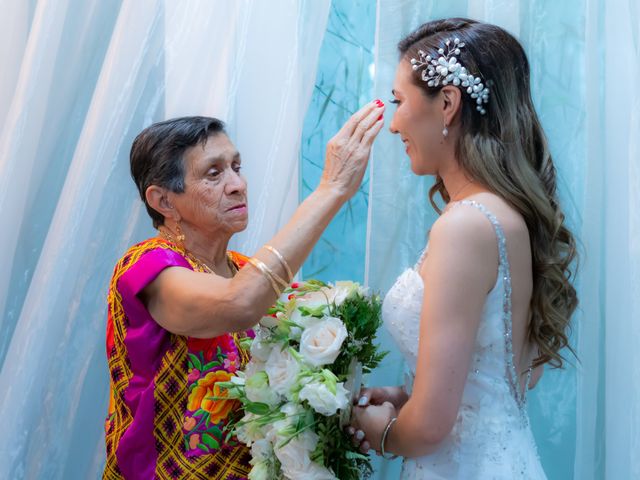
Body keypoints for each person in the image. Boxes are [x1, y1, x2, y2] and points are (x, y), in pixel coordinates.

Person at [103, 103, 385, 479]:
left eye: (236, 167)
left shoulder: (241, 266)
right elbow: (239, 304)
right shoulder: (148, 266)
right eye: (213, 173)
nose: (238, 184)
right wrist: (331, 190)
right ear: (164, 201)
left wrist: (341, 414)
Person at [348, 18, 578, 479]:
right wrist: (410, 397)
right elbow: (504, 375)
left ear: (447, 103)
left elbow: (431, 428)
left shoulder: (466, 225)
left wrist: (368, 426)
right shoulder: (503, 212)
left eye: (399, 102)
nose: (393, 126)